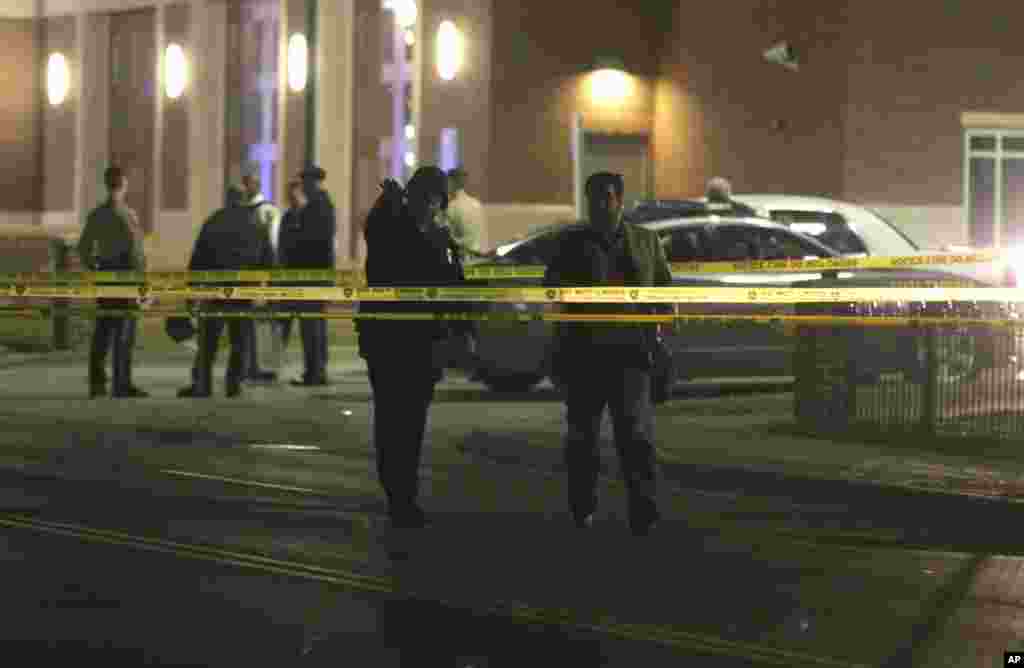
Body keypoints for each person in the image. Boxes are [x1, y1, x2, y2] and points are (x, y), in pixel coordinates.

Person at [544, 171, 674, 537]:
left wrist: (662, 324)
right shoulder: (570, 242)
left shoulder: (646, 242)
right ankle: (582, 508)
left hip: (632, 355)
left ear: (620, 200)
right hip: (584, 356)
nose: (602, 205)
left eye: (608, 197)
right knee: (582, 440)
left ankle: (643, 512)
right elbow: (552, 286)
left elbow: (663, 289)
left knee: (636, 438)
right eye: (595, 199)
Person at [358, 166, 475, 529]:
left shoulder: (438, 237)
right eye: (425, 199)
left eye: (435, 201)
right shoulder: (391, 224)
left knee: (412, 423)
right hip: (388, 341)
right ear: (414, 197)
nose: (431, 207)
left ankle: (403, 492)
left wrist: (463, 327)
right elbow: (383, 245)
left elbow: (454, 286)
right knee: (392, 419)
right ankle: (399, 495)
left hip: (424, 344)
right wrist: (390, 203)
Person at [177, 186, 274, 398]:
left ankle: (202, 385)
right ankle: (234, 385)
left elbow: (199, 258)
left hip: (215, 291)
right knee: (240, 340)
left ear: (226, 200)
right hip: (243, 292)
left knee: (208, 341)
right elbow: (268, 260)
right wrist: (263, 289)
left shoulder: (214, 222)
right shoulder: (256, 224)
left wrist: (192, 292)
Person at [78, 166, 148, 399]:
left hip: (106, 274)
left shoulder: (97, 215)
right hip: (126, 276)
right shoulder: (128, 215)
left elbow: (83, 249)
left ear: (106, 184)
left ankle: (97, 383)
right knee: (124, 333)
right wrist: (142, 283)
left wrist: (95, 266)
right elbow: (137, 254)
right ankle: (121, 384)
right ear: (124, 184)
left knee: (103, 330)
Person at [280, 165, 336, 387]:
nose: (303, 188)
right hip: (317, 276)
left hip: (311, 277)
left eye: (305, 184)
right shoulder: (320, 205)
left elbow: (310, 242)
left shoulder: (318, 207)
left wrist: (294, 239)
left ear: (313, 183)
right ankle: (317, 370)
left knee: (311, 326)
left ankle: (315, 373)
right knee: (315, 326)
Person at [241, 171, 283, 382]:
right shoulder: (263, 211)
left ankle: (258, 366)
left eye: (248, 184)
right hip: (253, 276)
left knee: (260, 322)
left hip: (258, 275)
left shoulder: (266, 211)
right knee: (252, 323)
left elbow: (274, 246)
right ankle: (252, 366)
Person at [276, 178, 308, 352]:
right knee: (283, 323)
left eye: (294, 193)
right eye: (289, 194)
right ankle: (275, 360)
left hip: (304, 279)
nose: (291, 197)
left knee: (309, 327)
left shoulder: (309, 217)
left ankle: (314, 368)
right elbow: (281, 246)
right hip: (288, 278)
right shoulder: (287, 217)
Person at [444, 166, 485, 258]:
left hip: (461, 258)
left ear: (451, 183)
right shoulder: (477, 204)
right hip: (476, 256)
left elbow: (449, 239)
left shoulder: (451, 207)